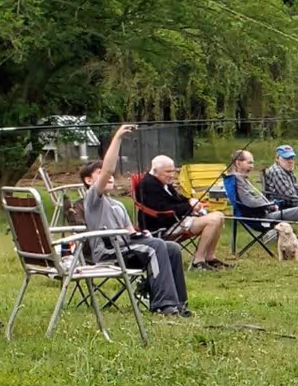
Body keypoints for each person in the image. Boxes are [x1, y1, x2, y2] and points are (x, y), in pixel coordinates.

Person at [81, 125, 191, 317]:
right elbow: (108, 168)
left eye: (108, 176)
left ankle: (179, 304)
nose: (107, 177)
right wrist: (117, 139)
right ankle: (164, 305)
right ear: (89, 181)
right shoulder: (93, 200)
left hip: (127, 248)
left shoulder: (118, 205)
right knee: (155, 246)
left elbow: (130, 231)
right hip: (108, 253)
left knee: (172, 248)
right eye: (99, 175)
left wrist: (142, 234)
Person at [228, 150, 298, 263]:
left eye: (252, 163)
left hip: (264, 212)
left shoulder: (239, 178)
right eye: (249, 163)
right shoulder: (237, 180)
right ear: (238, 163)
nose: (252, 166)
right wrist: (270, 205)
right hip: (261, 217)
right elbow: (249, 202)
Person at [137, 155, 230, 270]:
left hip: (176, 220)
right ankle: (198, 261)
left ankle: (210, 257)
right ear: (155, 171)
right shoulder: (148, 185)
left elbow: (176, 199)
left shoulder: (162, 182)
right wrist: (189, 207)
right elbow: (162, 208)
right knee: (213, 220)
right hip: (164, 226)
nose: (172, 175)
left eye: (173, 171)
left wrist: (190, 201)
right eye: (168, 171)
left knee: (219, 216)